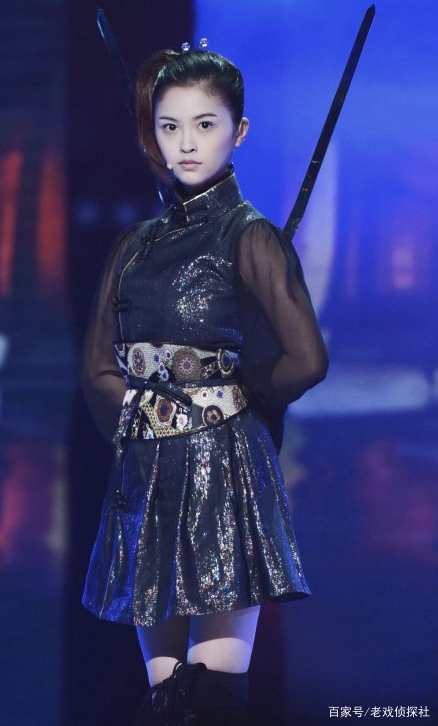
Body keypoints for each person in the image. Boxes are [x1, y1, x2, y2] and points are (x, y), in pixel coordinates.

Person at [81, 45, 328, 725]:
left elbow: (306, 360)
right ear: (152, 133)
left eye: (205, 124)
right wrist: (139, 427)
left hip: (223, 472)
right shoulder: (133, 246)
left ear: (237, 131)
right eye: (169, 126)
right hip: (146, 478)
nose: (186, 144)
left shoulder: (249, 237)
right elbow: (98, 368)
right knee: (165, 705)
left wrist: (239, 398)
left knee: (212, 701)